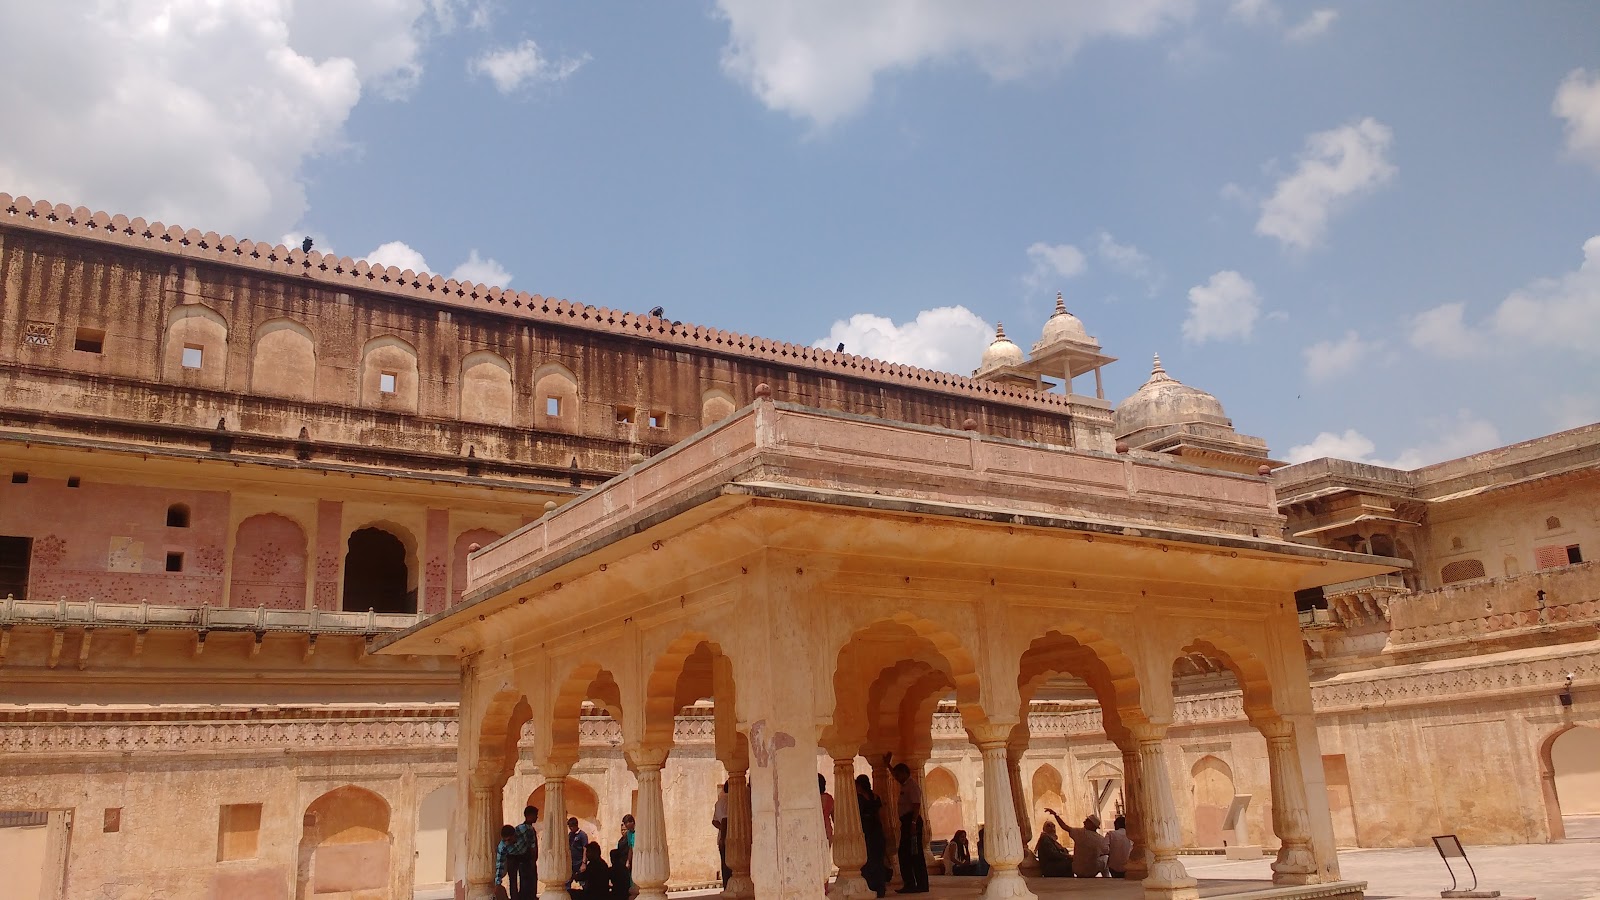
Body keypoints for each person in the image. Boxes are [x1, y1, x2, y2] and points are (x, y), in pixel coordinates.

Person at [888, 758, 928, 894]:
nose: (896, 777)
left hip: (912, 822)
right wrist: (888, 765)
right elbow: (894, 774)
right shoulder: (905, 785)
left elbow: (916, 805)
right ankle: (913, 884)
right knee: (907, 853)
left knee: (912, 853)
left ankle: (917, 884)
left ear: (905, 773)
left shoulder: (912, 786)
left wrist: (913, 823)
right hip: (907, 822)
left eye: (899, 774)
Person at [1045, 808, 1109, 878]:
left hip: (1078, 870)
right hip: (1091, 871)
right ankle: (1106, 877)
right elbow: (1106, 852)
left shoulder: (1079, 833)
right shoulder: (1101, 839)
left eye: (1086, 821)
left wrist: (1055, 815)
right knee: (1105, 858)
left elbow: (1064, 826)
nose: (1084, 822)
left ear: (1091, 824)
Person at [855, 774, 889, 897]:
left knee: (868, 860)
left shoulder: (858, 798)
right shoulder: (875, 797)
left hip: (866, 832)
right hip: (876, 830)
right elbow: (881, 815)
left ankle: (871, 887)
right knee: (878, 860)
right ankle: (880, 888)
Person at [495, 824, 529, 898]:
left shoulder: (523, 830)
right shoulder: (502, 847)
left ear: (514, 835)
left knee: (527, 876)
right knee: (512, 879)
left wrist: (533, 847)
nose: (507, 842)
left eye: (509, 840)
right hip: (512, 856)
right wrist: (498, 882)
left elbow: (531, 832)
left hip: (525, 854)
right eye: (505, 840)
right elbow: (500, 864)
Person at [513, 806, 539, 898]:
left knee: (524, 886)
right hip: (528, 861)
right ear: (529, 815)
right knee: (530, 887)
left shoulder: (518, 828)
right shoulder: (529, 829)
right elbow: (532, 848)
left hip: (520, 861)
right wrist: (532, 861)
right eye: (535, 815)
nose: (537, 817)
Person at [713, 781, 730, 887]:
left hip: (722, 837)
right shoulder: (730, 800)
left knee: (724, 865)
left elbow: (714, 821)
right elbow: (725, 820)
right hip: (729, 838)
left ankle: (726, 887)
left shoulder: (719, 802)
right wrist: (725, 835)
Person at [613, 815, 635, 894]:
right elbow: (630, 848)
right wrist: (628, 861)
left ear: (631, 822)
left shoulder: (638, 832)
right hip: (629, 858)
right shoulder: (629, 834)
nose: (625, 826)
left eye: (626, 823)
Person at [819, 773, 835, 844]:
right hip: (827, 830)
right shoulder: (829, 798)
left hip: (814, 829)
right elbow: (835, 818)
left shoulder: (811, 799)